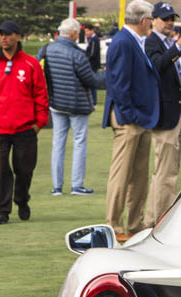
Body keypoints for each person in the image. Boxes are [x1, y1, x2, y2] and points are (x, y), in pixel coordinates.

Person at [0, 20, 49, 224]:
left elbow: (41, 95)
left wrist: (39, 122)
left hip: (25, 128)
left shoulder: (30, 64)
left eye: (7, 34)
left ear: (18, 36)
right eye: (1, 35)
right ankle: (1, 211)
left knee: (24, 170)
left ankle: (22, 198)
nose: (4, 38)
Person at [102, 0, 159, 241]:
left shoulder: (133, 41)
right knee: (122, 174)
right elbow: (118, 83)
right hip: (129, 119)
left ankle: (134, 225)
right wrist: (130, 116)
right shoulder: (124, 42)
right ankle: (114, 226)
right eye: (152, 20)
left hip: (141, 118)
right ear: (145, 21)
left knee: (139, 176)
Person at [145, 1, 181, 227]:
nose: (169, 22)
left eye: (172, 18)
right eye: (165, 18)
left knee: (166, 172)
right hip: (165, 116)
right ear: (153, 20)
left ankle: (152, 220)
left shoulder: (165, 42)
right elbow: (156, 66)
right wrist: (176, 47)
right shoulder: (152, 41)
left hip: (176, 111)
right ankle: (161, 221)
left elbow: (173, 73)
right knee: (166, 173)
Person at [44, 18, 105, 196]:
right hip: (77, 104)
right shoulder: (77, 54)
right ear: (73, 34)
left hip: (56, 103)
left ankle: (57, 186)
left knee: (58, 143)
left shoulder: (47, 49)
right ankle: (77, 185)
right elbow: (91, 80)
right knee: (79, 143)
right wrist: (109, 75)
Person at [84, 24, 102, 105]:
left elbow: (92, 53)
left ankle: (93, 101)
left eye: (87, 31)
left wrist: (85, 58)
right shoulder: (91, 39)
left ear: (92, 30)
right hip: (91, 64)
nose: (86, 33)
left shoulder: (94, 39)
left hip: (93, 64)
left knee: (92, 83)